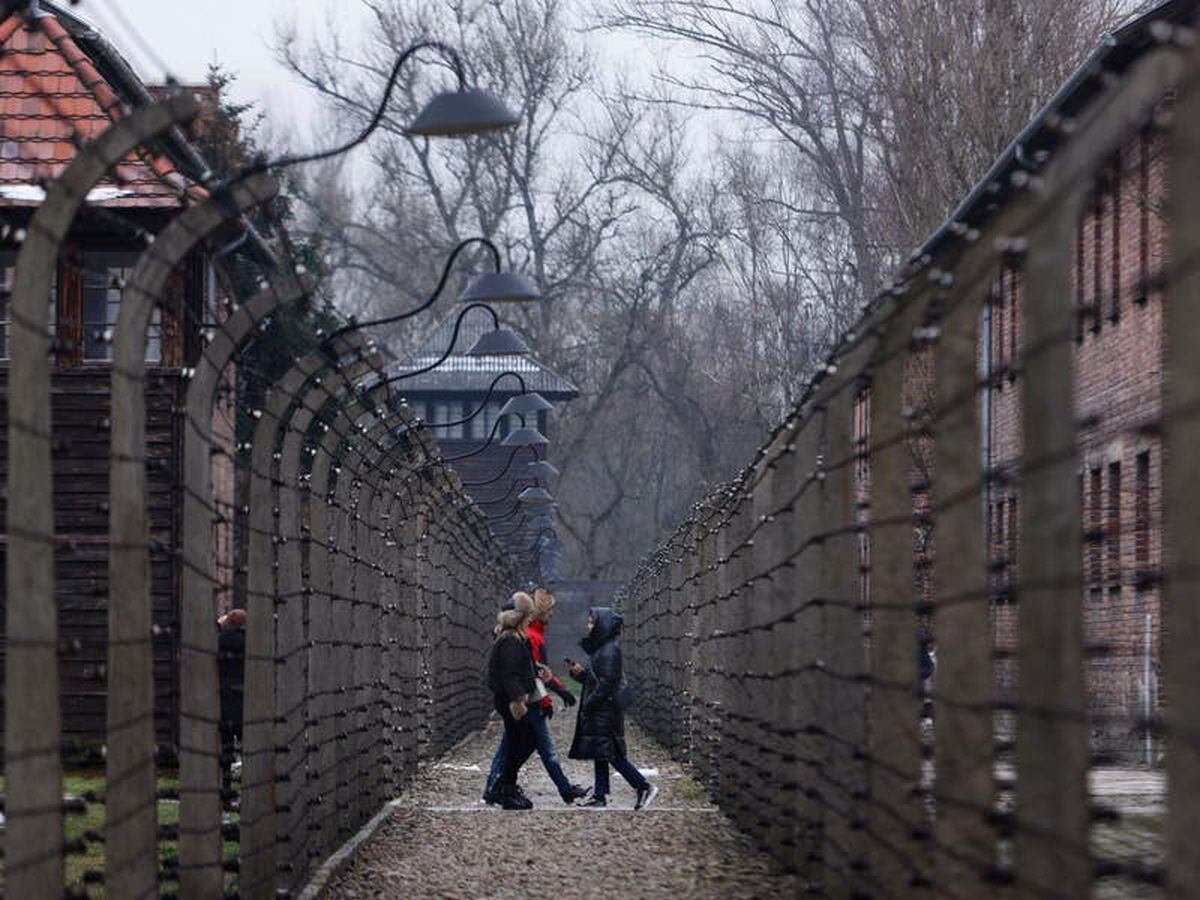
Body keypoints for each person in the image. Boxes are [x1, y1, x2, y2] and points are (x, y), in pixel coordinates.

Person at [483, 588, 589, 806]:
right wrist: (532, 698)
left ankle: (499, 787)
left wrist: (546, 681)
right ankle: (505, 788)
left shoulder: (520, 637)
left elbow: (527, 669)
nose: (551, 614)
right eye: (549, 610)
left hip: (522, 700)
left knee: (515, 745)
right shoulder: (520, 639)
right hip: (521, 702)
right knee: (525, 745)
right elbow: (512, 674)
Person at [568, 607, 658, 810]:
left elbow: (607, 683)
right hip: (602, 710)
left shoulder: (610, 649)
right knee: (601, 752)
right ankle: (600, 796)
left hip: (605, 711)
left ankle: (643, 786)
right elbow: (596, 680)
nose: (588, 625)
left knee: (612, 755)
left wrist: (589, 704)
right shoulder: (603, 648)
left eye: (592, 622)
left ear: (602, 624)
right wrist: (580, 674)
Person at [485, 592, 539, 810]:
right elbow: (508, 674)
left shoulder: (512, 638)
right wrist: (518, 698)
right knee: (521, 742)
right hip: (511, 702)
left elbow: (517, 669)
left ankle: (505, 785)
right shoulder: (510, 640)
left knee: (521, 742)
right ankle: (506, 788)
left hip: (511, 699)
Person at [216, 608, 247, 804]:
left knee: (226, 752)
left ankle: (226, 793)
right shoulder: (247, 642)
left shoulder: (219, 640)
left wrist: (220, 625)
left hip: (224, 703)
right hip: (244, 703)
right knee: (249, 750)